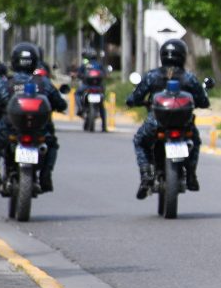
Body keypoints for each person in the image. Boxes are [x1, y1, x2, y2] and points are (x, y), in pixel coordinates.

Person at [126, 39, 209, 198]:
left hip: (155, 123)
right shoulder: (189, 78)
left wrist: (131, 101)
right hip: (184, 125)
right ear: (183, 56)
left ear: (163, 55)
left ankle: (145, 175)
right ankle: (191, 174)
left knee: (140, 141)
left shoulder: (152, 76)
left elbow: (135, 97)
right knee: (196, 141)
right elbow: (203, 101)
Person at [0, 43, 67, 193]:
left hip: (8, 130)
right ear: (34, 62)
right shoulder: (43, 83)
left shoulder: (4, 83)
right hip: (39, 131)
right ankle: (45, 177)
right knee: (51, 144)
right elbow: (61, 103)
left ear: (14, 62)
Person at [74, 48, 107, 122]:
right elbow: (105, 74)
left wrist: (77, 75)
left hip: (87, 86)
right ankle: (104, 125)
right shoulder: (99, 64)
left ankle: (80, 108)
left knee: (77, 94)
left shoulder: (85, 64)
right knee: (102, 105)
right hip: (98, 87)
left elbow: (79, 73)